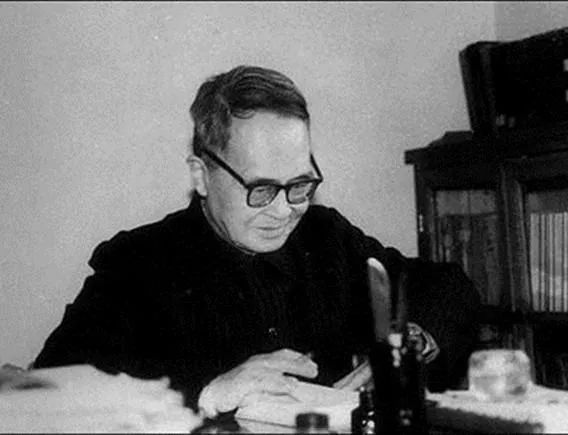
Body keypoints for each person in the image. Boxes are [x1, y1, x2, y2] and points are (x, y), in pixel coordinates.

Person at [33, 65, 480, 417]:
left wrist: (407, 349)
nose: (284, 211)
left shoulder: (325, 238)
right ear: (202, 175)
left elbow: (447, 287)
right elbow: (51, 391)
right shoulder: (137, 265)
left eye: (300, 185)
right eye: (261, 189)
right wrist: (207, 392)